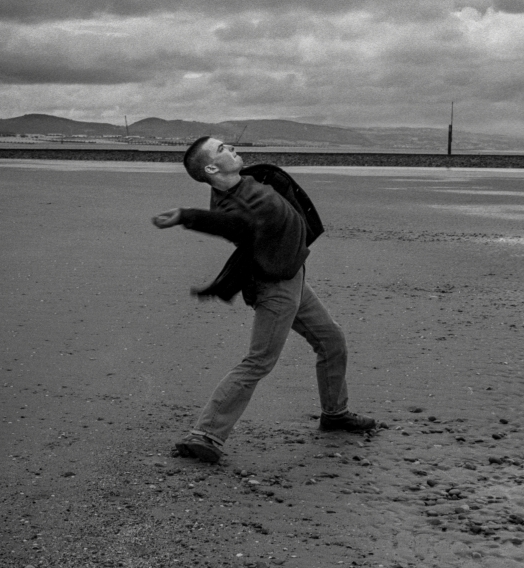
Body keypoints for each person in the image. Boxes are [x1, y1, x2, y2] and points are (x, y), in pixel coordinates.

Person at [152, 136, 376, 463]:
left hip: (294, 275)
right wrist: (187, 216)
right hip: (273, 286)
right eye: (221, 149)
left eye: (227, 144)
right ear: (212, 168)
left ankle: (335, 414)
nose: (230, 148)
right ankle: (204, 435)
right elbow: (233, 224)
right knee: (259, 361)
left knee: (331, 341)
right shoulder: (231, 206)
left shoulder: (252, 178)